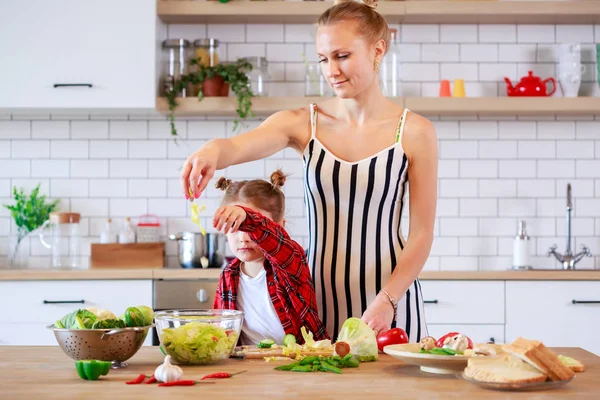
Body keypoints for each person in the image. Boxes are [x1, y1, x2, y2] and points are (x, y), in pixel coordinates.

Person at [183, 0, 438, 341]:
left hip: (391, 299)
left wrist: (388, 299)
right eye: (323, 58)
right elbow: (238, 145)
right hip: (318, 301)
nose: (331, 69)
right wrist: (214, 149)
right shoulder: (304, 123)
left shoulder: (415, 132)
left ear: (378, 49)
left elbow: (421, 233)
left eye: (342, 55)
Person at [212, 170, 329, 345]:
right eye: (235, 226)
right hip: (251, 364)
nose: (244, 237)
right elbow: (221, 327)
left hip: (301, 359)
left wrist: (249, 218)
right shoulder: (228, 274)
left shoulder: (291, 260)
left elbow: (275, 241)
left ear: (280, 227)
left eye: (250, 227)